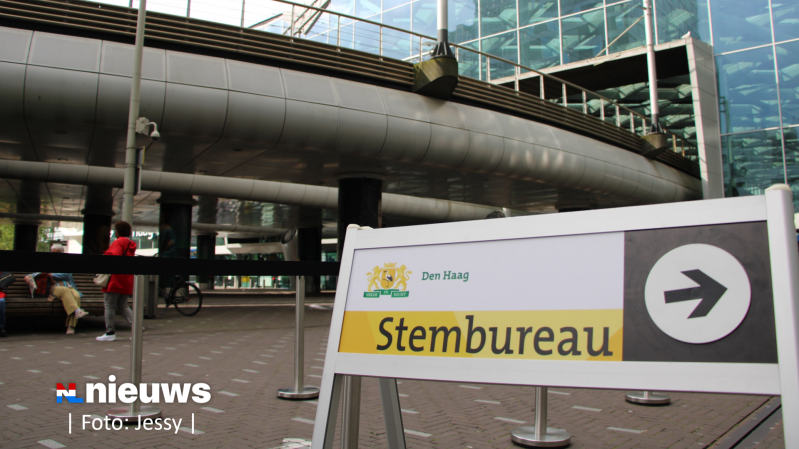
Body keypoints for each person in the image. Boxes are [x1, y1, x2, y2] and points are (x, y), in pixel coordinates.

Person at [96, 221, 137, 342]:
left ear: (118, 231)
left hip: (115, 279)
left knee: (109, 305)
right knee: (123, 305)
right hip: (126, 278)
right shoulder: (130, 243)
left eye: (115, 230)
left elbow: (115, 256)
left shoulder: (118, 242)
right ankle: (136, 327)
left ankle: (110, 332)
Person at [49, 243, 89, 335]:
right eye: (53, 253)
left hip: (69, 287)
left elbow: (66, 274)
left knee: (76, 296)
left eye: (57, 253)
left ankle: (71, 325)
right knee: (65, 290)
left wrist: (51, 275)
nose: (55, 255)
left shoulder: (66, 262)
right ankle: (77, 312)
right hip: (55, 288)